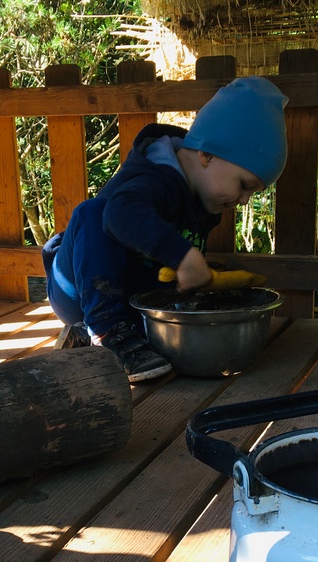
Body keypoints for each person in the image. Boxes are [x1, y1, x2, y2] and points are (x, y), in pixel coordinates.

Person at [43, 76, 288, 382]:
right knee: (93, 212)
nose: (244, 200)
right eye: (244, 185)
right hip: (76, 291)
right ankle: (107, 332)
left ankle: (111, 330)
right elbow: (120, 216)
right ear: (207, 155)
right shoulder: (155, 178)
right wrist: (183, 256)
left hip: (131, 296)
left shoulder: (206, 201)